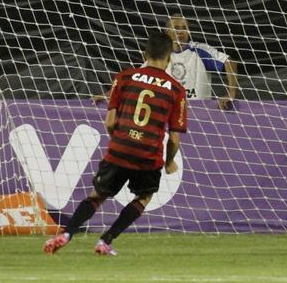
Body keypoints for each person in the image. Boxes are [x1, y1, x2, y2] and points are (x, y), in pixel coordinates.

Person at [44, 29, 187, 256]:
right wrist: (169, 162)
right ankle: (105, 240)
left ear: (144, 53)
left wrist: (120, 141)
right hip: (148, 155)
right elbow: (175, 138)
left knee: (96, 196)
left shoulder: (124, 77)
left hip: (119, 148)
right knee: (144, 196)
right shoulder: (177, 90)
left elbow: (110, 122)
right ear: (169, 57)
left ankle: (66, 234)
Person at [165, 14, 238, 109]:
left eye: (184, 28)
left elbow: (229, 62)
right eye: (176, 28)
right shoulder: (161, 54)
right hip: (171, 110)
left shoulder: (200, 51)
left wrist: (231, 92)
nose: (180, 32)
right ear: (167, 32)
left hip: (200, 113)